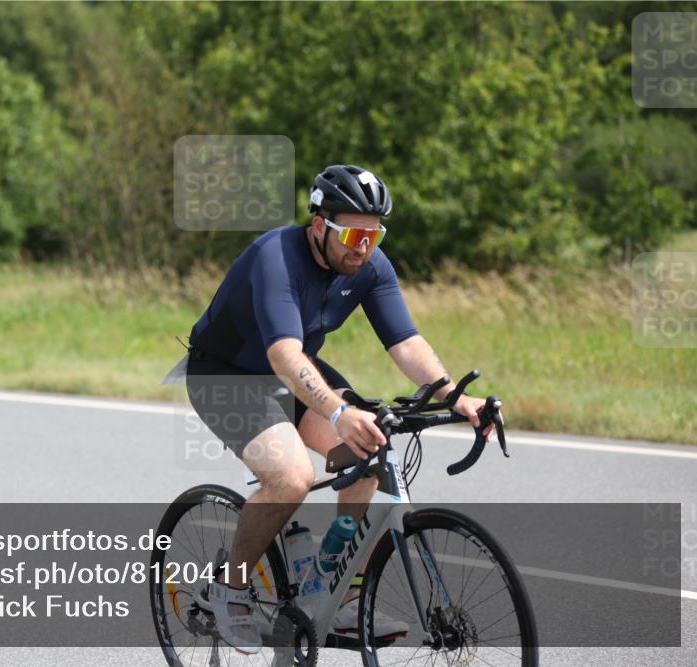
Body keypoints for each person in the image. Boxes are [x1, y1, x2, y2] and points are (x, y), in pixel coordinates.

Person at [182, 164, 500, 653]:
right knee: (291, 477)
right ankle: (228, 589)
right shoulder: (276, 257)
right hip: (227, 374)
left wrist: (457, 398)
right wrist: (337, 412)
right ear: (318, 226)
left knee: (370, 451)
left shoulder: (370, 265)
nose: (363, 245)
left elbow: (406, 342)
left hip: (293, 369)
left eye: (375, 233)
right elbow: (284, 354)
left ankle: (345, 594)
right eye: (352, 232)